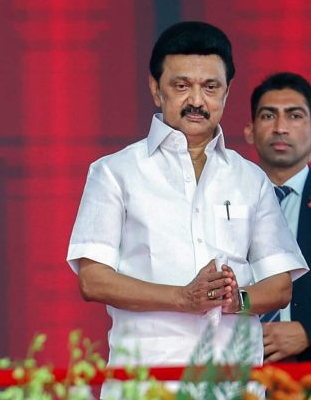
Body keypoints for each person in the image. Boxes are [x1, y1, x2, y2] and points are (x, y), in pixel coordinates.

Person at [67, 22, 306, 370]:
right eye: (182, 86)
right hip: (147, 387)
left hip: (235, 390)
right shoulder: (114, 172)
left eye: (210, 87)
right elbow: (93, 280)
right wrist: (182, 298)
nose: (196, 100)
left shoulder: (250, 178)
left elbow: (280, 285)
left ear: (226, 92)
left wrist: (233, 300)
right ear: (155, 88)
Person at [245, 72, 311, 362]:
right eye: (269, 116)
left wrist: (309, 331)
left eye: (294, 116)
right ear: (249, 130)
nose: (281, 128)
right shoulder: (223, 197)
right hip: (233, 369)